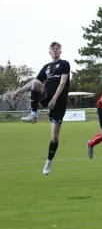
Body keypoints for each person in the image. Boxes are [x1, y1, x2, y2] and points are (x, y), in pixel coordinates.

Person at [12, 42, 71, 175]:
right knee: (36, 82)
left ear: (60, 51)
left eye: (57, 48)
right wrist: (18, 91)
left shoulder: (64, 64)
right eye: (53, 48)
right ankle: (33, 114)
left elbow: (63, 82)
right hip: (47, 96)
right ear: (49, 52)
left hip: (59, 101)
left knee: (55, 137)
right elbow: (34, 83)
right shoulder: (47, 67)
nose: (55, 50)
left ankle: (48, 162)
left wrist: (55, 98)